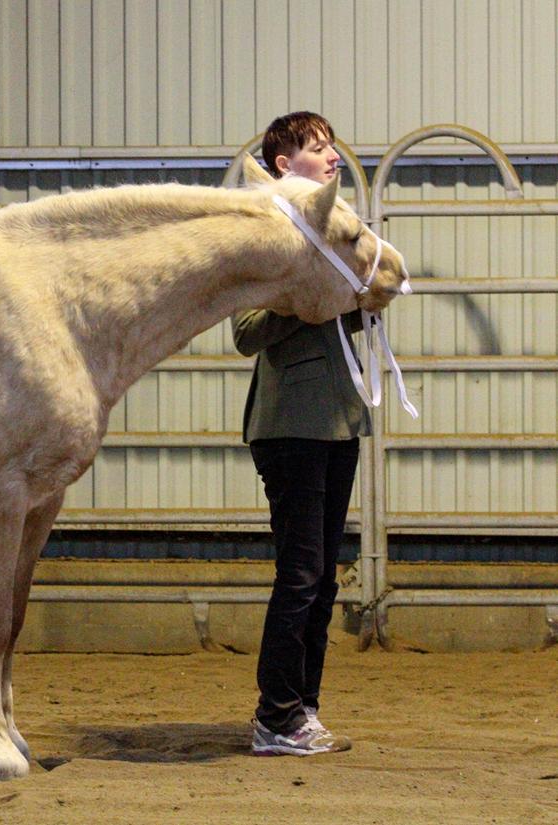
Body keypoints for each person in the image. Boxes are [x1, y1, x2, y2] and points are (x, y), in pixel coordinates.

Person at [233, 111, 363, 757]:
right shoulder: (265, 229)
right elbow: (246, 330)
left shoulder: (331, 228)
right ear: (284, 165)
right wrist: (308, 297)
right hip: (291, 424)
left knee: (323, 578)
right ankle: (274, 715)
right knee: (301, 573)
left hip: (337, 419)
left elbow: (340, 319)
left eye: (332, 145)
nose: (332, 155)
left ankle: (302, 707)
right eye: (318, 148)